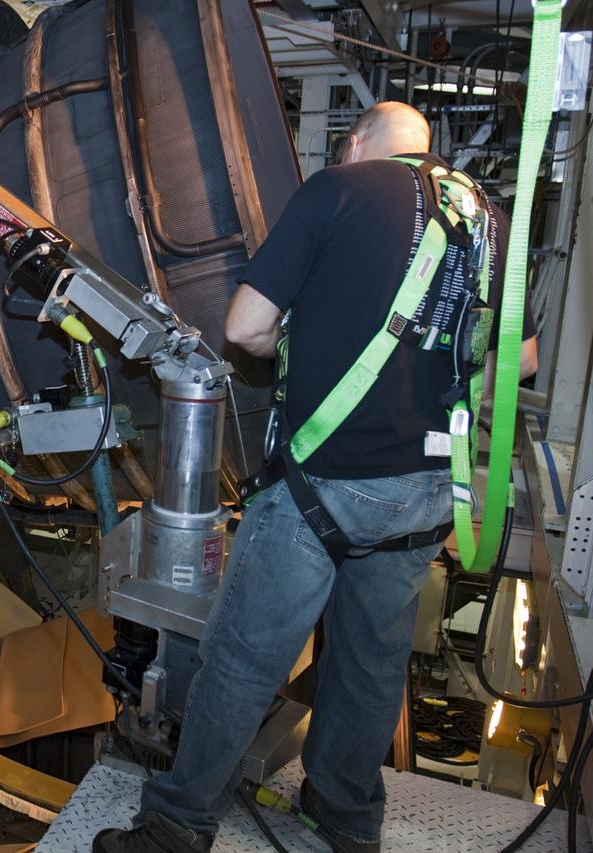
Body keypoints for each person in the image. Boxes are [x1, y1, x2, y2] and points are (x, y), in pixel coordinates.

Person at [93, 102, 537, 853]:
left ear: (357, 140)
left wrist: (304, 345)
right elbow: (518, 361)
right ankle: (344, 812)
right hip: (429, 490)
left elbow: (243, 328)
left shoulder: (338, 189)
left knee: (242, 658)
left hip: (326, 486)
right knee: (370, 660)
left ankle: (176, 823)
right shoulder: (487, 219)